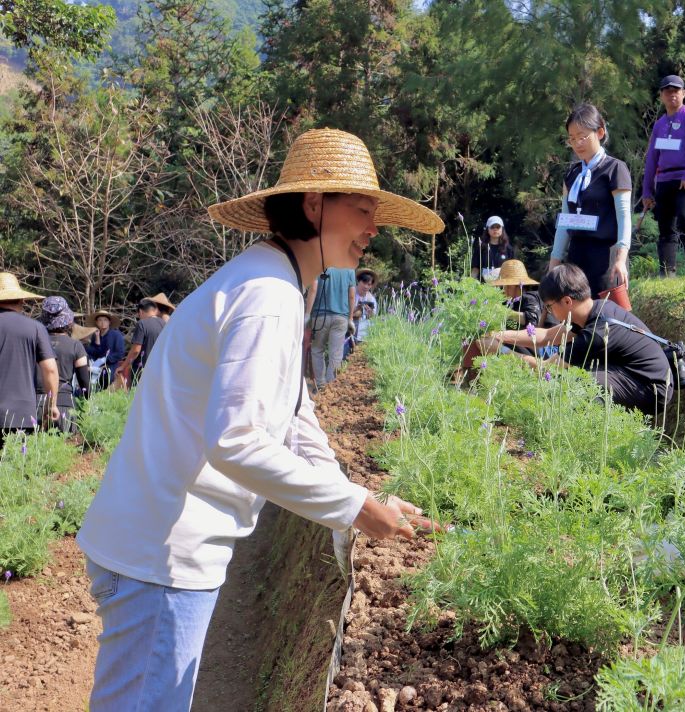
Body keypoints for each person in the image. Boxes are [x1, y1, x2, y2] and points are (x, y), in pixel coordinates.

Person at [76, 128, 445, 712]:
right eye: (362, 209)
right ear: (315, 204)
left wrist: (355, 495)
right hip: (162, 555)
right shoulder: (268, 295)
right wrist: (352, 507)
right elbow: (237, 440)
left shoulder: (272, 281)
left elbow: (295, 412)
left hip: (158, 542)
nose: (373, 229)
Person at [493, 264, 671, 416]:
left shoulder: (596, 333)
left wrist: (501, 350)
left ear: (567, 301)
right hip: (632, 374)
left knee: (575, 381)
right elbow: (546, 336)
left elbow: (545, 368)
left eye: (549, 306)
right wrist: (498, 335)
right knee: (578, 375)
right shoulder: (597, 309)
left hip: (651, 389)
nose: (549, 312)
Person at [548, 104, 633, 306]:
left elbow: (624, 217)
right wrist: (554, 262)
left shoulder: (615, 169)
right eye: (572, 138)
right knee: (577, 318)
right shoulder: (571, 174)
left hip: (606, 258)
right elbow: (565, 221)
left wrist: (621, 259)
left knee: (608, 317)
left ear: (600, 132)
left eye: (583, 136)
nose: (577, 143)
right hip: (576, 259)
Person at [641, 75, 685, 276]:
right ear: (661, 96)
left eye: (676, 90)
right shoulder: (659, 124)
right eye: (667, 91)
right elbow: (652, 157)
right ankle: (667, 272)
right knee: (665, 227)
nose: (672, 95)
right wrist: (647, 191)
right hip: (664, 181)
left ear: (684, 93)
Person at [0, 273, 59, 445]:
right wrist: (51, 405)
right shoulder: (35, 328)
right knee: (18, 462)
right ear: (21, 300)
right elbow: (50, 369)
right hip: (21, 414)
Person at [35, 296, 91, 432]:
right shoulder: (75, 346)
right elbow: (84, 382)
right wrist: (85, 406)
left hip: (35, 404)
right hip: (64, 406)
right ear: (68, 321)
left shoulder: (34, 343)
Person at [305, 266, 357, 385]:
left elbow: (313, 289)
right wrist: (350, 319)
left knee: (317, 350)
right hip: (341, 318)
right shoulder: (349, 269)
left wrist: (307, 314)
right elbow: (352, 296)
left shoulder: (321, 265)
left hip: (320, 315)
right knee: (336, 353)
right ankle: (331, 386)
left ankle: (320, 384)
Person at [114, 298, 165, 387]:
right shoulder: (164, 324)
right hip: (160, 368)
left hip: (142, 370)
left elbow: (136, 350)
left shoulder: (142, 324)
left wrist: (123, 366)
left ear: (141, 311)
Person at [85, 310, 126, 389]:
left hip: (110, 367)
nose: (103, 322)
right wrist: (97, 341)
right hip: (95, 367)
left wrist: (105, 360)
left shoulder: (116, 335)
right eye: (100, 320)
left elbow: (120, 353)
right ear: (96, 322)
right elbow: (94, 352)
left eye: (105, 320)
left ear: (109, 322)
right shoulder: (95, 335)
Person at [472, 216, 514, 282]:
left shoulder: (508, 249)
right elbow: (475, 269)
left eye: (498, 227)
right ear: (487, 229)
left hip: (503, 286)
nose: (495, 229)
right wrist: (471, 284)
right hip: (483, 286)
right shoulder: (481, 248)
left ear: (502, 229)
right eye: (492, 227)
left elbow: (512, 271)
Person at [354, 268, 377, 344]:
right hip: (348, 332)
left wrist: (370, 313)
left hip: (363, 336)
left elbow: (373, 317)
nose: (366, 286)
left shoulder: (371, 299)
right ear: (358, 281)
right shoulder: (350, 294)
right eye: (364, 283)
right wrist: (356, 309)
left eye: (369, 284)